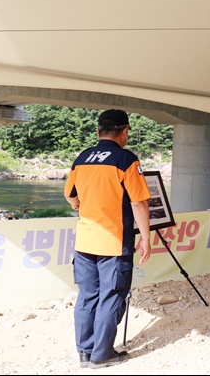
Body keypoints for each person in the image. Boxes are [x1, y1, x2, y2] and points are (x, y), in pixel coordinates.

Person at [64, 109, 152, 368]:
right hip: (114, 242)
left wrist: (79, 205)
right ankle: (102, 354)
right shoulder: (126, 159)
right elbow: (139, 202)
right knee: (112, 295)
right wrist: (146, 237)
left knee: (87, 295)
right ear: (125, 132)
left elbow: (70, 195)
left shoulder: (82, 158)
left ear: (98, 131)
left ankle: (85, 352)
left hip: (85, 241)